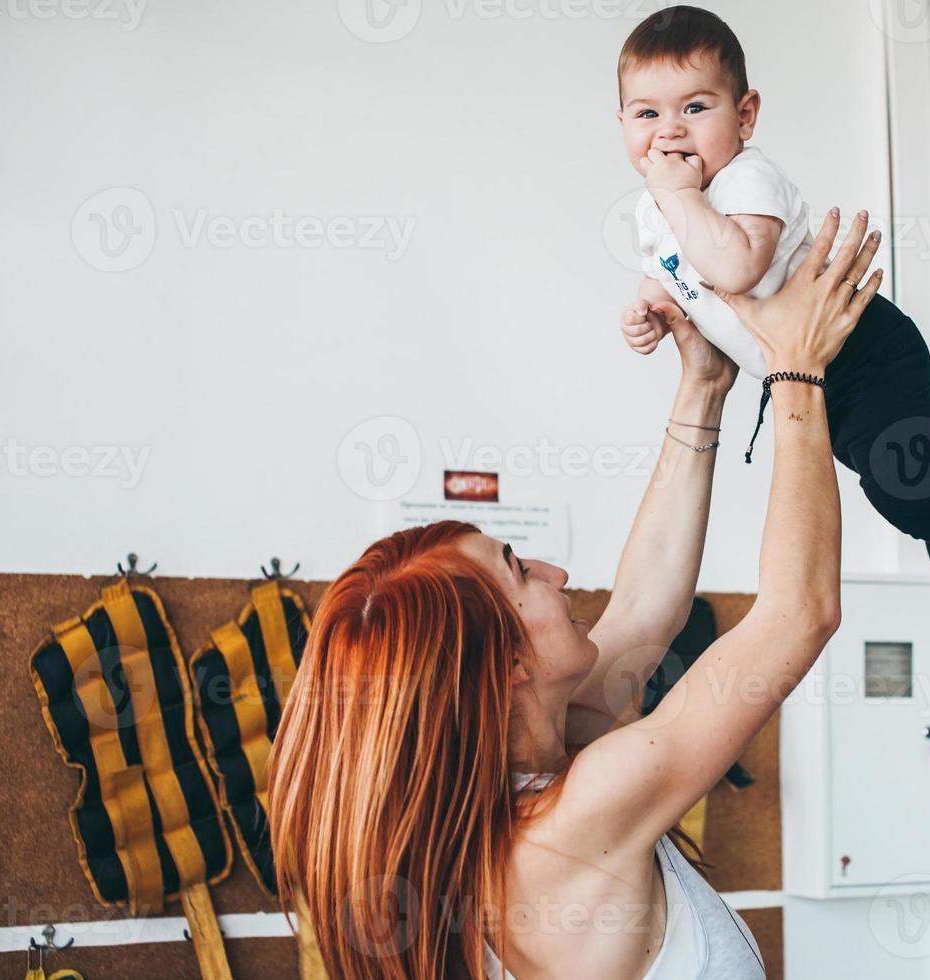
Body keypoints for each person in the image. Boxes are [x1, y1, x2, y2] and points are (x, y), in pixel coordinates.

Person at [269, 209, 883, 979]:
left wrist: (703, 384)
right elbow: (800, 613)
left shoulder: (540, 772)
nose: (557, 574)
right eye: (521, 571)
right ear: (508, 666)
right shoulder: (576, 820)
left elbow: (642, 608)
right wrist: (798, 370)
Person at [616, 5, 930, 617]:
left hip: (867, 352)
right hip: (806, 371)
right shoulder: (656, 210)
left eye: (695, 108)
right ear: (622, 125)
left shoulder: (748, 181)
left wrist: (677, 194)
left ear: (744, 115)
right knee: (876, 479)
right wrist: (646, 310)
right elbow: (666, 272)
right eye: (647, 114)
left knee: (897, 486)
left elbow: (736, 267)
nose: (669, 132)